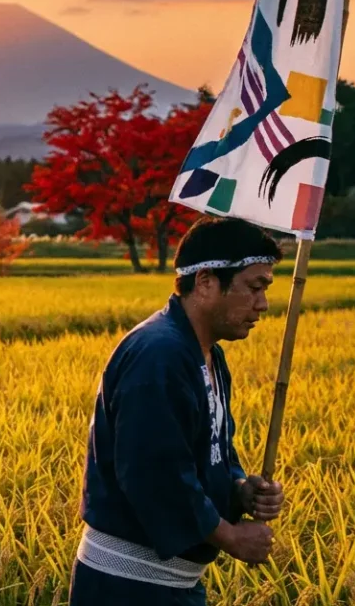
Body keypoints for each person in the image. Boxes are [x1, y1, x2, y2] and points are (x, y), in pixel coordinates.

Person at [69, 217, 286, 606]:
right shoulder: (159, 355)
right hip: (128, 588)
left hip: (173, 586)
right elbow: (156, 476)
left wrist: (240, 490)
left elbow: (210, 452)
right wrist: (231, 536)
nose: (263, 304)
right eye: (254, 287)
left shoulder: (207, 354)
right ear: (205, 281)